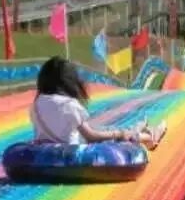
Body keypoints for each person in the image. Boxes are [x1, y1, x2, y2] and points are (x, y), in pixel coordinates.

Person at [31, 56, 167, 149]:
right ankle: (148, 136)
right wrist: (119, 135)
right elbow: (91, 137)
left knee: (104, 128)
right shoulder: (68, 104)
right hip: (72, 152)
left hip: (47, 152)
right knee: (114, 133)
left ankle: (139, 129)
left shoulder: (36, 105)